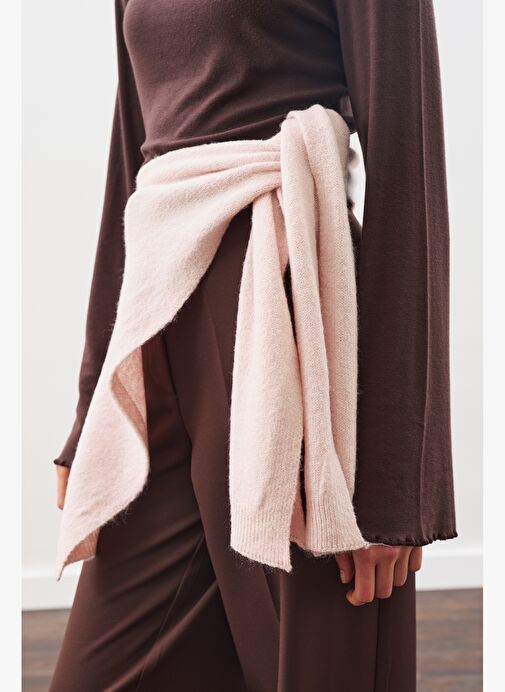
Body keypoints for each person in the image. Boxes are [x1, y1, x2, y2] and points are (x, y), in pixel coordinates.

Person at [49, 1, 457, 690]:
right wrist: (91, 406)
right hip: (159, 313)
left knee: (318, 667)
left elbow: (406, 160)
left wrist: (401, 484)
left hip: (291, 311)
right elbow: (132, 165)